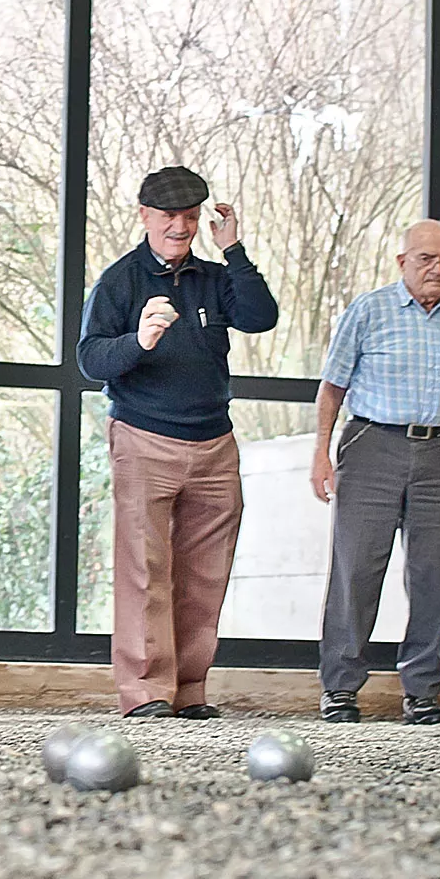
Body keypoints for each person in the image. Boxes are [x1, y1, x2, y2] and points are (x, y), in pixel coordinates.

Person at [77, 165, 279, 718]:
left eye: (190, 217)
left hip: (214, 444)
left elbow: (262, 317)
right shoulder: (119, 282)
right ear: (144, 216)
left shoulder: (213, 278)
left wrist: (233, 250)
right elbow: (90, 359)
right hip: (144, 439)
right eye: (169, 216)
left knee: (205, 575)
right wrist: (138, 342)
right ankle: (145, 693)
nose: (181, 227)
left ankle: (189, 690)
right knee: (146, 571)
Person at [310, 220, 440, 724]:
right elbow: (331, 389)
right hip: (372, 447)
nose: (437, 269)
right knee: (357, 569)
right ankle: (341, 688)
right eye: (426, 259)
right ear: (402, 262)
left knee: (430, 574)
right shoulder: (369, 310)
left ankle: (423, 692)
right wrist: (321, 452)